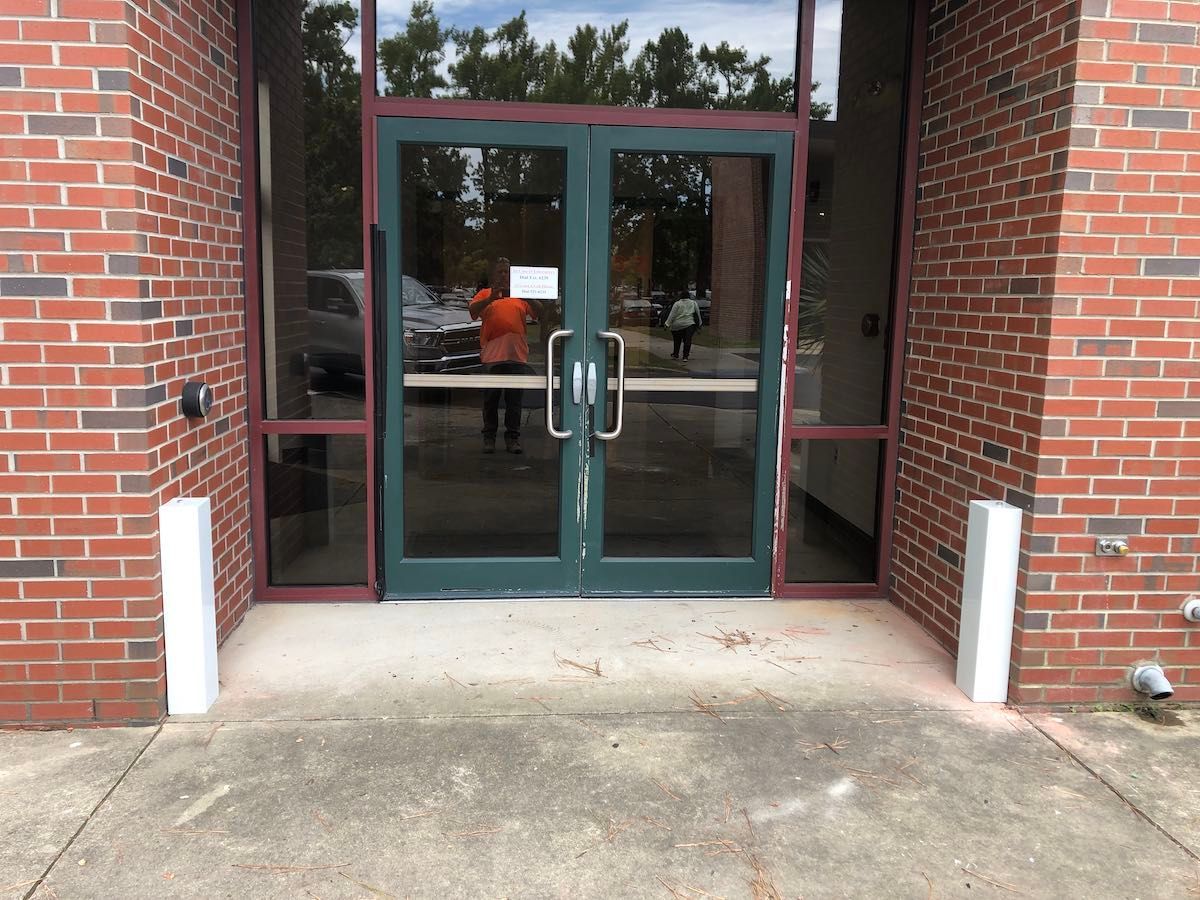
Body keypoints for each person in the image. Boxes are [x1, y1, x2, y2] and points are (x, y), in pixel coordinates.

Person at [469, 258, 542, 454]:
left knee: (514, 401)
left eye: (507, 272)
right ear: (493, 275)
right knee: (490, 400)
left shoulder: (520, 297)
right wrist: (490, 298)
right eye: (500, 272)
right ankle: (489, 438)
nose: (503, 275)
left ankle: (512, 439)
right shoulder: (485, 294)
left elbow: (539, 312)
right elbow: (473, 312)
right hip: (492, 357)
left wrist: (526, 294)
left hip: (516, 356)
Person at [663, 290, 702, 361]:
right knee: (687, 340)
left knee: (677, 340)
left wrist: (667, 324)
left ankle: (675, 354)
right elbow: (697, 314)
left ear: (680, 296)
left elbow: (672, 315)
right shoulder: (693, 303)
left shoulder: (677, 304)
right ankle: (685, 356)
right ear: (689, 296)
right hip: (689, 324)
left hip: (677, 325)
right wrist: (699, 324)